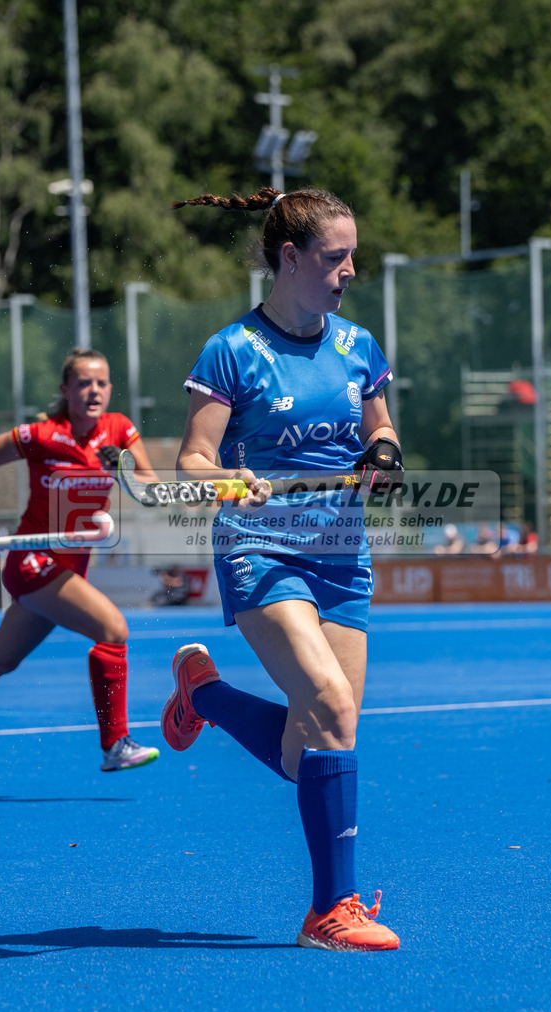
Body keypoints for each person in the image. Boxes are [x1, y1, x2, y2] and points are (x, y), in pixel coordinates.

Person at [159, 185, 402, 951]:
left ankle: (206, 695)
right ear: (289, 258)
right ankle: (331, 912)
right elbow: (193, 457)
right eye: (335, 257)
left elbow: (379, 423)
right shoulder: (232, 349)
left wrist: (385, 452)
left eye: (352, 255)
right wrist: (223, 478)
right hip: (260, 549)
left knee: (312, 752)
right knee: (329, 706)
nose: (350, 270)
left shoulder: (357, 345)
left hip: (341, 556)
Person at [0, 348, 159, 772]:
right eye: (84, 383)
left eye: (102, 383)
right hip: (31, 562)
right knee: (112, 629)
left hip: (68, 570)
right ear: (65, 390)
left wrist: (124, 469)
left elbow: (148, 488)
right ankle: (115, 745)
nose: (94, 391)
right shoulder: (41, 435)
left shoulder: (120, 430)